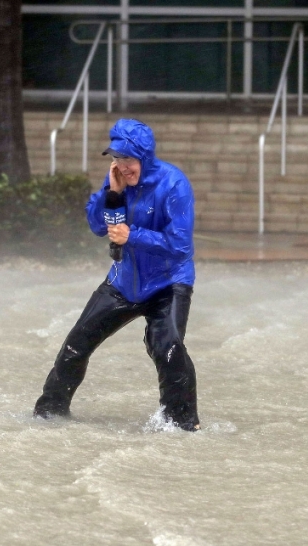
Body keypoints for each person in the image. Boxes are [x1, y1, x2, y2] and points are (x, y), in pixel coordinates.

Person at [33, 118, 200, 431]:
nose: (122, 166)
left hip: (168, 283)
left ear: (145, 157)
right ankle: (48, 415)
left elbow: (180, 246)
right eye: (116, 158)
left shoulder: (175, 185)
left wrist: (132, 235)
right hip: (123, 281)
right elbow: (99, 227)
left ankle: (182, 425)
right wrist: (111, 193)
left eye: (128, 159)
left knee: (168, 347)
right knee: (75, 344)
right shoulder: (117, 181)